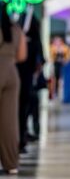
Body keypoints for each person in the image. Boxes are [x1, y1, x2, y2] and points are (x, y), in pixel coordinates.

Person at [0, 0, 28, 175]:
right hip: (11, 73)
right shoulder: (16, 29)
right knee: (9, 122)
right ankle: (11, 164)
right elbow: (22, 56)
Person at [15, 12, 43, 153]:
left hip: (19, 75)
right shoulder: (32, 40)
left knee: (20, 108)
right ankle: (21, 137)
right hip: (23, 77)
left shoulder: (18, 32)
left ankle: (21, 137)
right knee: (23, 107)